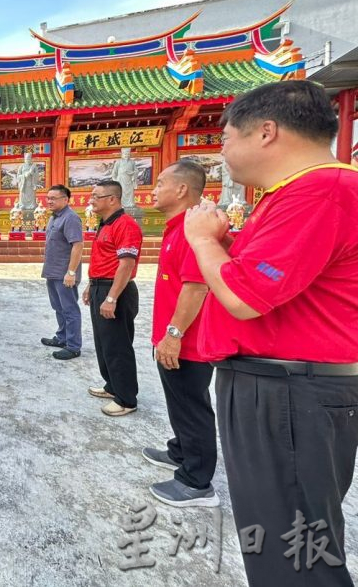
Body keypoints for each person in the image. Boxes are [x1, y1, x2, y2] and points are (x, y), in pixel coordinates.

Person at [184, 81, 358, 585]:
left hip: (289, 390)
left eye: (226, 137)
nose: (222, 151)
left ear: (266, 131)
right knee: (283, 536)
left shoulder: (321, 190)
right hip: (280, 385)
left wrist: (202, 240)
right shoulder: (294, 194)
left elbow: (243, 297)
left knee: (294, 552)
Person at [143, 159, 217, 508]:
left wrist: (173, 334)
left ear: (182, 189)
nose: (153, 189)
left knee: (192, 406)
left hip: (188, 341)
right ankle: (181, 450)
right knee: (179, 402)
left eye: (160, 182)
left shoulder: (194, 230)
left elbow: (196, 287)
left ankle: (197, 482)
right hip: (172, 337)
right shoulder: (178, 227)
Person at [82, 179, 142, 417]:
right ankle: (112, 386)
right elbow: (103, 260)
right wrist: (91, 285)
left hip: (116, 290)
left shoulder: (126, 225)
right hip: (101, 287)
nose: (91, 200)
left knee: (118, 345)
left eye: (96, 196)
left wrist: (111, 298)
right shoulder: (105, 223)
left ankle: (127, 398)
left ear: (112, 199)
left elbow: (126, 264)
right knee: (103, 343)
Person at [40, 185, 83, 360]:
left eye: (54, 198)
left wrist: (71, 272)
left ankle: (73, 346)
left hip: (64, 274)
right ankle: (62, 337)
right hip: (52, 271)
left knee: (69, 309)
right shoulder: (53, 218)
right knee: (58, 307)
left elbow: (78, 246)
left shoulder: (71, 218)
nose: (49, 201)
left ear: (65, 200)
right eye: (48, 198)